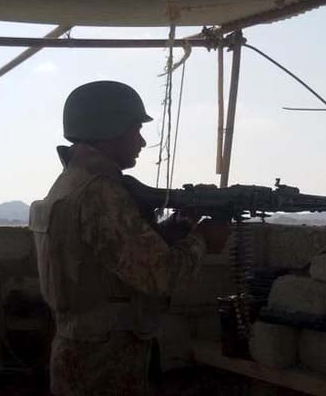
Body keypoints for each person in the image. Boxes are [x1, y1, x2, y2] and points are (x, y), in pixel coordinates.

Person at [29, 80, 230, 396]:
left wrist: (178, 226)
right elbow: (160, 274)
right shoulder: (101, 193)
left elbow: (109, 259)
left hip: (82, 352)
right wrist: (203, 238)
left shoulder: (71, 183)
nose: (141, 140)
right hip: (106, 363)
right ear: (110, 128)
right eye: (135, 129)